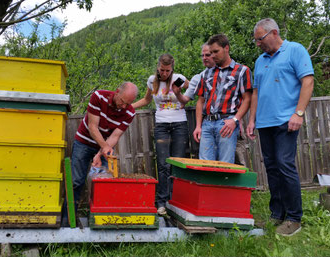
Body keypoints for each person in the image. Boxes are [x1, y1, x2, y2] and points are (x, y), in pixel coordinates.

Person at [247, 18, 314, 236]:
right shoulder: (260, 61)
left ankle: (294, 218)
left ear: (274, 33)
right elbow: (256, 92)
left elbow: (308, 81)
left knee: (285, 165)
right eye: (256, 40)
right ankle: (277, 215)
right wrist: (251, 120)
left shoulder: (295, 50)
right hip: (265, 123)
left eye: (260, 39)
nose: (258, 44)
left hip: (287, 120)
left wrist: (299, 113)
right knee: (272, 169)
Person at [132, 54, 189, 216]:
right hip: (161, 125)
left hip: (179, 124)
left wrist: (185, 97)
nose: (164, 73)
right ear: (158, 67)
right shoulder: (152, 81)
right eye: (162, 70)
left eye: (167, 71)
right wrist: (128, 107)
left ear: (172, 68)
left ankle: (176, 201)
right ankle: (162, 201)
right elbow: (146, 100)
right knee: (163, 164)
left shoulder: (178, 79)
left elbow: (192, 90)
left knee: (177, 164)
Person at [71, 82, 138, 207]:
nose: (124, 106)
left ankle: (100, 219)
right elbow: (92, 127)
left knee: (106, 184)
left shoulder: (130, 113)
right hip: (84, 142)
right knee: (76, 181)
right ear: (117, 91)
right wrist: (105, 147)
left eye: (128, 104)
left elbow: (115, 136)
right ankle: (68, 220)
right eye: (122, 102)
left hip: (104, 146)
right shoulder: (98, 97)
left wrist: (100, 153)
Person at [192, 34, 252, 163]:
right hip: (207, 123)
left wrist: (235, 120)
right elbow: (200, 100)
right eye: (211, 52)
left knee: (225, 165)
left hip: (226, 122)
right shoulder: (206, 73)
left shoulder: (242, 71)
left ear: (226, 48)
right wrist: (198, 126)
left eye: (215, 52)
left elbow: (247, 99)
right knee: (205, 165)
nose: (212, 55)